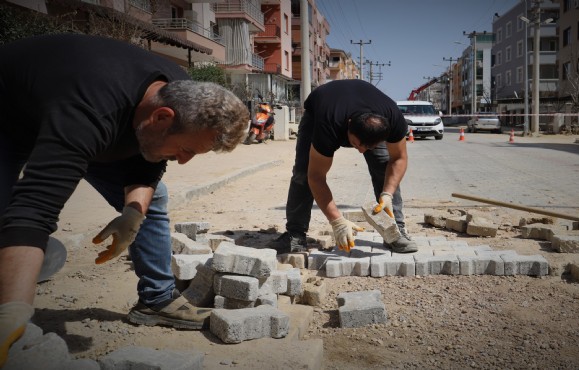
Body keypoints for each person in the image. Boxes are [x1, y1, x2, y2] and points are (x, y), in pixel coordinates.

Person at [0, 34, 249, 366]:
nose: (183, 161)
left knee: (152, 196)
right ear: (161, 117)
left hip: (99, 117)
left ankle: (156, 300)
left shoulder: (181, 96)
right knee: (11, 216)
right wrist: (13, 315)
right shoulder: (89, 111)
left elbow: (151, 161)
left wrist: (132, 216)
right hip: (10, 112)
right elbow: (35, 209)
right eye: (186, 150)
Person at [269, 79, 418, 254]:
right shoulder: (329, 122)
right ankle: (295, 234)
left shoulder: (393, 119)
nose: (362, 152)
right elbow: (316, 176)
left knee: (383, 167)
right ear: (348, 126)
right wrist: (337, 221)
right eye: (356, 144)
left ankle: (396, 232)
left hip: (365, 114)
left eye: (368, 147)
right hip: (319, 110)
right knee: (303, 173)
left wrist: (388, 194)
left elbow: (399, 158)